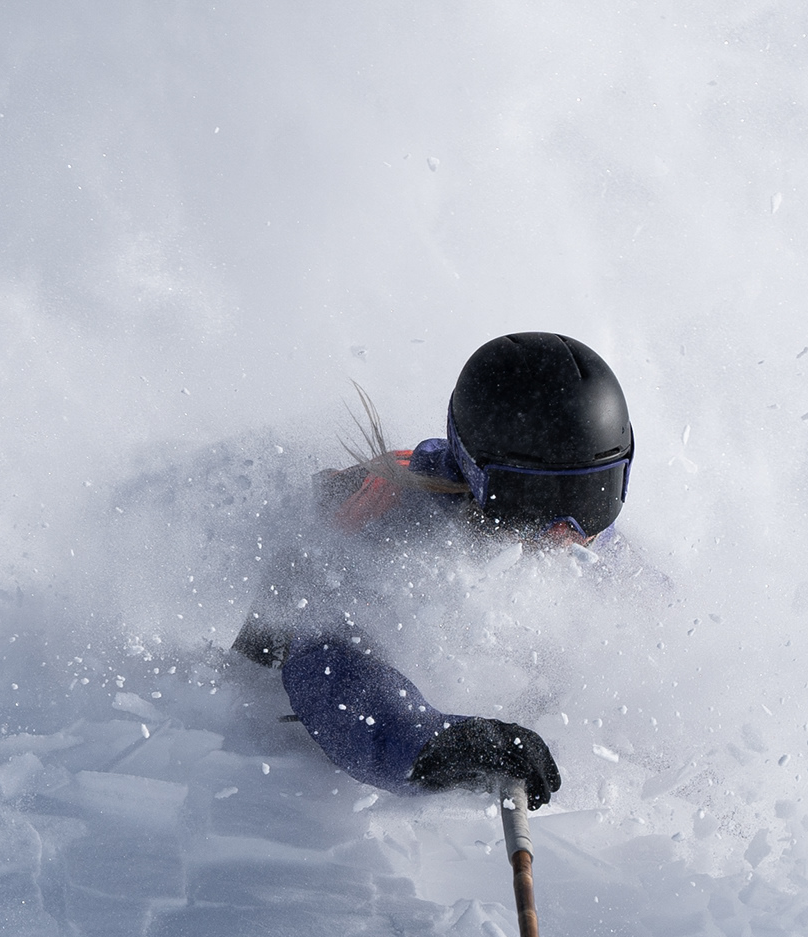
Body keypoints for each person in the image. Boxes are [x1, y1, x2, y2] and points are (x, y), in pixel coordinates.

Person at [232, 331, 634, 811]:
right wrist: (433, 742)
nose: (563, 532)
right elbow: (328, 664)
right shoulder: (398, 534)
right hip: (290, 632)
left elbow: (657, 625)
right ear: (475, 474)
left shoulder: (589, 538)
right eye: (533, 503)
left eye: (592, 497)